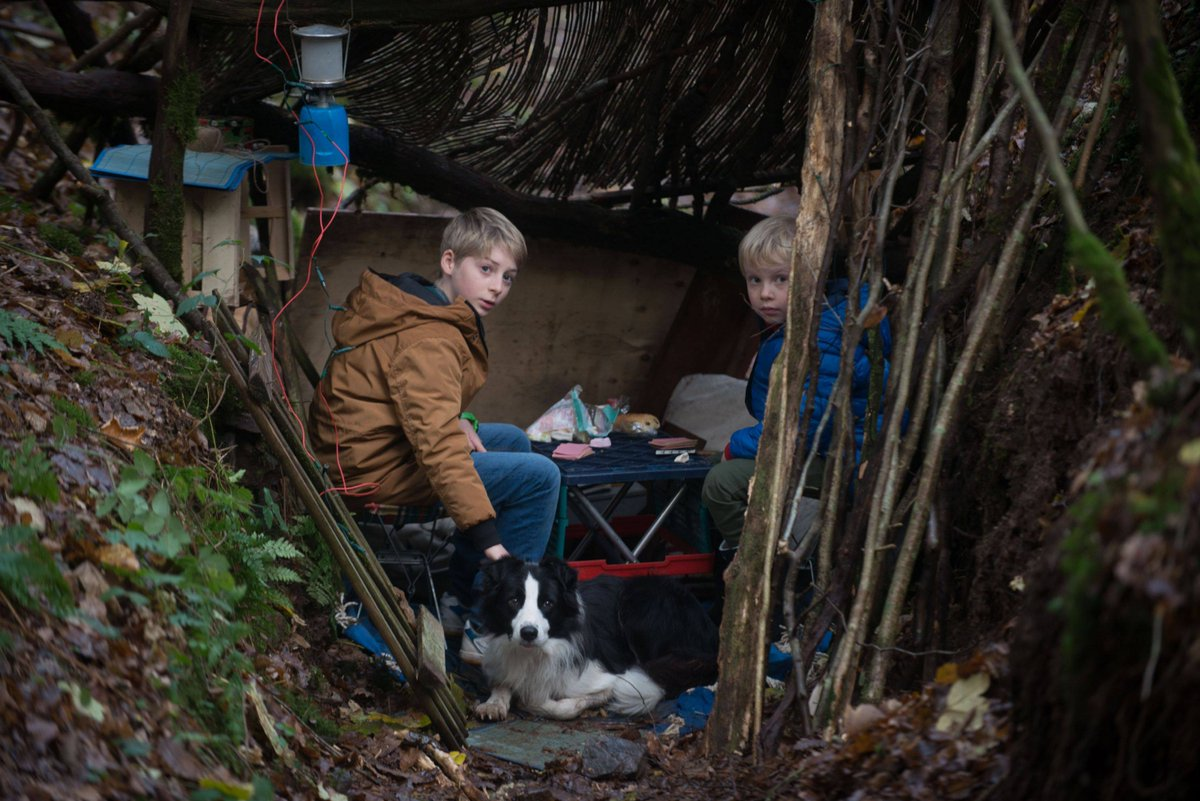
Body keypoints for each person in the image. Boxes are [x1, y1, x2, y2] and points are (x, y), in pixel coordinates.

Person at [308, 207, 560, 664]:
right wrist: (493, 545)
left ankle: (459, 604)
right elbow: (439, 449)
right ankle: (492, 623)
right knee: (540, 477)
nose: (497, 287)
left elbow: (415, 402)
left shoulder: (414, 306)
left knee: (512, 442)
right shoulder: (430, 337)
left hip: (364, 449)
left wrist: (459, 418)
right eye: (485, 269)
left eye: (507, 277)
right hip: (372, 472)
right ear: (449, 262)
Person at [701, 216, 893, 574]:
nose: (765, 293)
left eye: (780, 279)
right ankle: (754, 552)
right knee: (716, 470)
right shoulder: (790, 328)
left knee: (722, 482)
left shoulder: (827, 335)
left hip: (847, 459)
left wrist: (736, 446)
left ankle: (763, 569)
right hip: (819, 450)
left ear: (812, 278)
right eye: (755, 280)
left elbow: (800, 423)